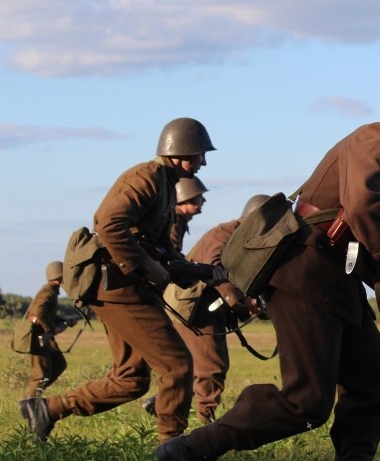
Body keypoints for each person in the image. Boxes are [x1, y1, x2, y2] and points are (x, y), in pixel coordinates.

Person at [156, 68, 380, 461]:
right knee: (306, 402)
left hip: (335, 279)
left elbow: (365, 235)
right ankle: (190, 450)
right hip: (306, 273)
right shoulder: (378, 140)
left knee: (375, 384)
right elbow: (365, 213)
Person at [20, 117, 223, 444]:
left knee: (130, 379)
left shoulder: (167, 186)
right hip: (116, 286)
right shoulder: (145, 178)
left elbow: (164, 255)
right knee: (178, 367)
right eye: (199, 154)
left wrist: (205, 272)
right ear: (177, 152)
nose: (203, 161)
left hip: (120, 286)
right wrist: (143, 263)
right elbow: (108, 222)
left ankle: (48, 410)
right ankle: (172, 451)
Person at [145, 194, 269, 423]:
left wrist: (250, 299)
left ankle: (161, 402)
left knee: (202, 365)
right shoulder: (224, 233)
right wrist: (237, 299)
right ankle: (206, 422)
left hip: (209, 308)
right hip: (196, 308)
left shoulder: (244, 238)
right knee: (211, 367)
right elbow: (213, 270)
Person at [22, 261, 77, 398]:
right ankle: (31, 403)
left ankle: (37, 395)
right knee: (41, 375)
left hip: (42, 336)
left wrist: (65, 321)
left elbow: (47, 313)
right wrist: (52, 328)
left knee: (59, 364)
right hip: (37, 337)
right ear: (60, 277)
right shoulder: (48, 292)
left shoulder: (51, 291)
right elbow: (39, 312)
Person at [171, 176, 208, 253]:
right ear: (187, 199)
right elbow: (171, 254)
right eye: (200, 196)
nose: (204, 200)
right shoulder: (174, 221)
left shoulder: (178, 220)